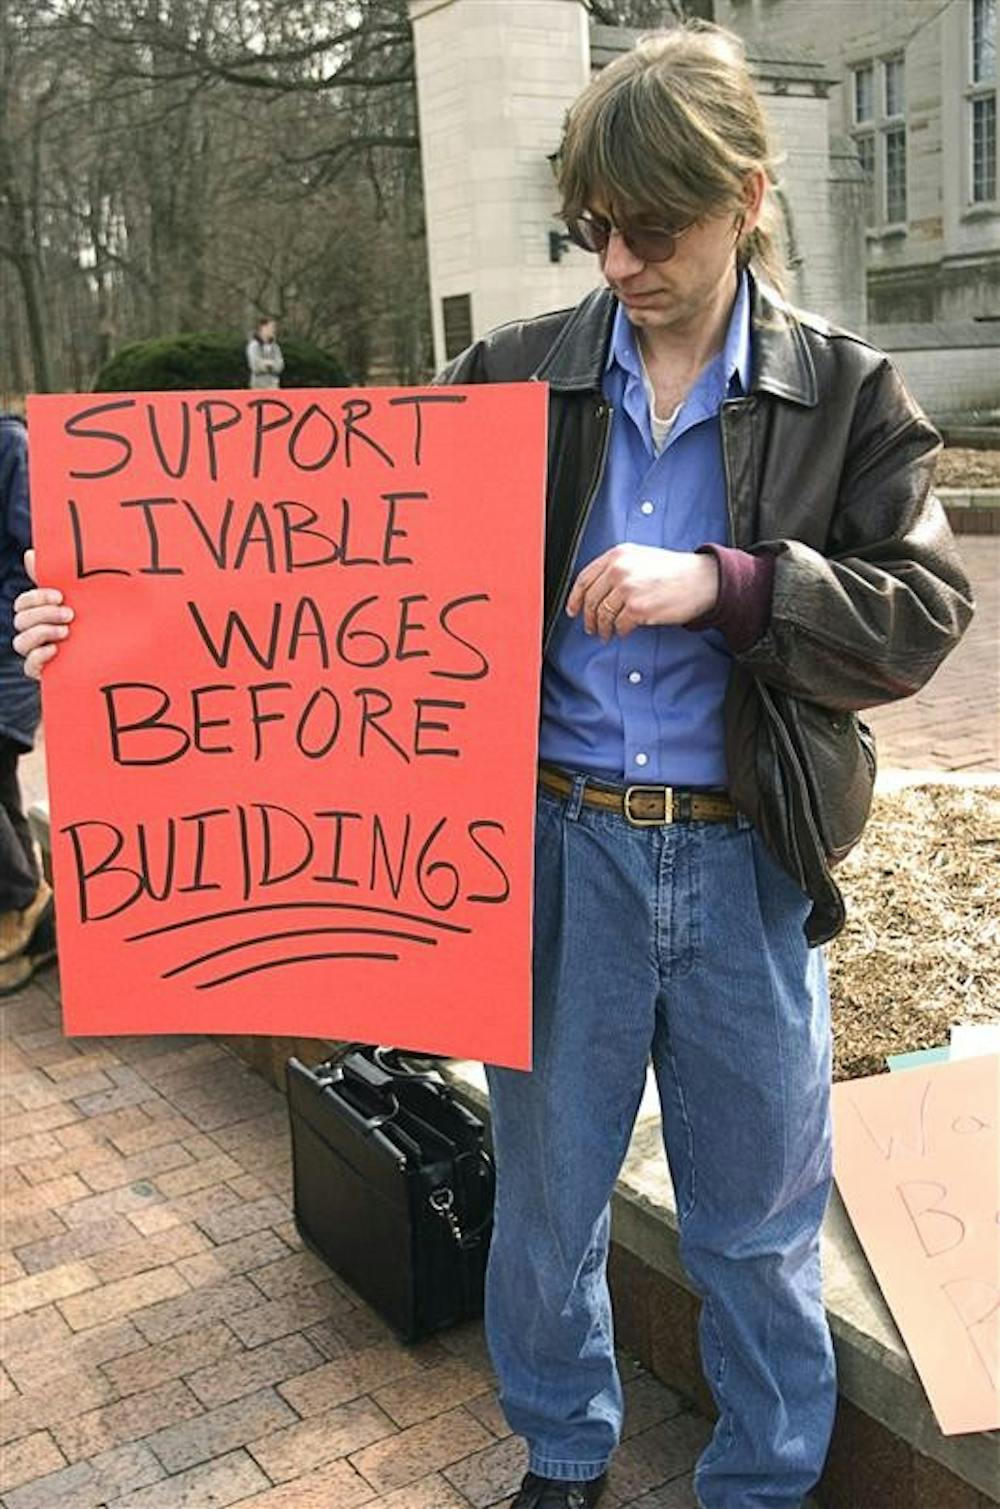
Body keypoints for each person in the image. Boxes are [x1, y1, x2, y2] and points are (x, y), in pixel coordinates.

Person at [12, 22, 974, 1509]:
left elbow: (918, 617)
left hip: (747, 863)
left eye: (654, 226)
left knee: (756, 1217)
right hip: (555, 850)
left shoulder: (845, 392)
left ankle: (764, 1479)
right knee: (546, 1199)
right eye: (592, 225)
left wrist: (725, 584)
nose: (618, 258)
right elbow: (324, 575)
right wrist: (106, 609)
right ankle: (565, 1452)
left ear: (751, 196)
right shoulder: (514, 380)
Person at [0, 413, 55, 994]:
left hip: (10, 649)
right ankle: (29, 924)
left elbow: (35, 555)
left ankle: (24, 905)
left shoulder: (10, 447)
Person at [245, 316, 284, 389]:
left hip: (274, 386)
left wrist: (268, 364)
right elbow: (255, 366)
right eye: (271, 327)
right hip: (258, 386)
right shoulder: (253, 345)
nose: (274, 330)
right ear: (263, 327)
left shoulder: (275, 347)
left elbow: (280, 365)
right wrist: (271, 364)